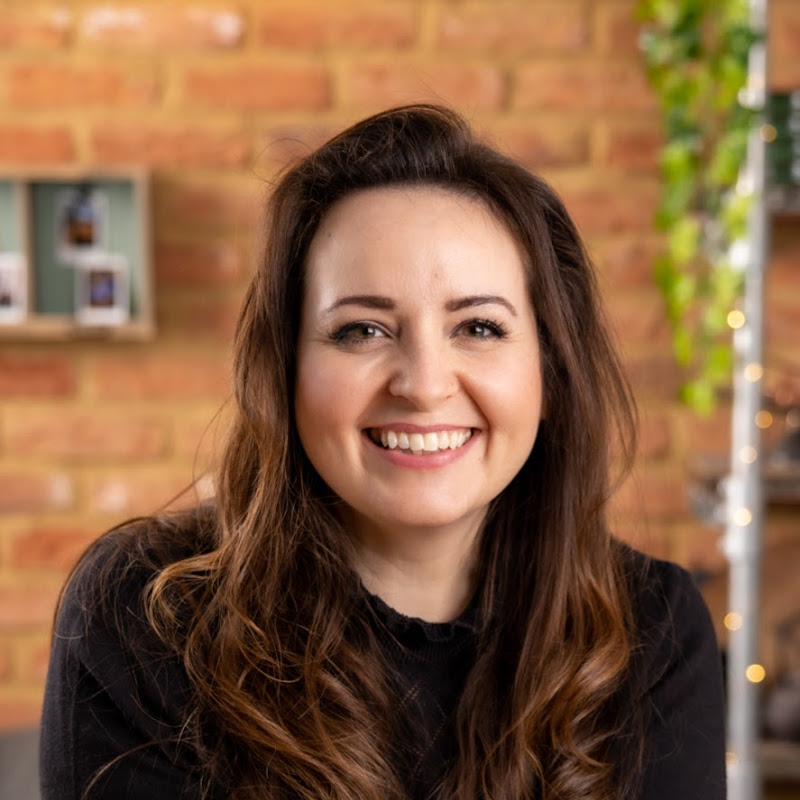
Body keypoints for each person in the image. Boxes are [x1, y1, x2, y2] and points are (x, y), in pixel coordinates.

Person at [40, 105, 726, 800]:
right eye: (362, 329)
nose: (424, 386)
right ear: (284, 374)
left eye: (480, 327)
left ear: (549, 372)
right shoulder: (144, 614)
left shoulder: (652, 629)